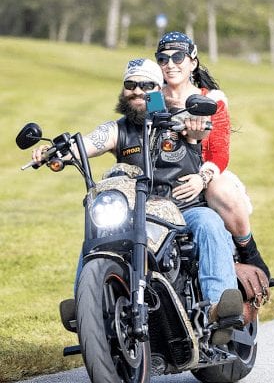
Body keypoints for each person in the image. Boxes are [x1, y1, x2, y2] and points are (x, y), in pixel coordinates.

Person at [32, 58, 243, 344]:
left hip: (183, 210)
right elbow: (90, 143)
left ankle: (220, 310)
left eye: (146, 85)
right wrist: (56, 152)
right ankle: (86, 305)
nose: (137, 91)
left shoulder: (180, 120)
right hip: (136, 213)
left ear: (159, 89)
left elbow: (200, 131)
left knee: (209, 223)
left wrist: (198, 122)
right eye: (131, 85)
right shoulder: (118, 129)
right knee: (96, 227)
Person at [154, 32, 272, 289]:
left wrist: (201, 178)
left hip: (204, 173)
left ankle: (249, 252)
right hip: (164, 178)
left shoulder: (212, 99)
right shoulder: (152, 98)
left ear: (193, 61)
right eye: (163, 58)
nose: (170, 64)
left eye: (178, 57)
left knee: (219, 188)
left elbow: (219, 152)